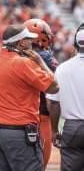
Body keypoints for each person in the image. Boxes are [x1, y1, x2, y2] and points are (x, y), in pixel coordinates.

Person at [0, 24, 59, 171]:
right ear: (21, 42)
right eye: (28, 39)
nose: (32, 43)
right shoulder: (25, 64)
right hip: (20, 133)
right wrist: (40, 63)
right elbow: (54, 87)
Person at [46, 23, 84, 171]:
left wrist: (54, 130)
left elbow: (53, 104)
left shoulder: (63, 68)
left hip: (72, 127)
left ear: (75, 44)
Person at [24, 18, 59, 169]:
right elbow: (55, 89)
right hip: (41, 117)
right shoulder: (45, 57)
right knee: (39, 165)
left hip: (19, 118)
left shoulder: (15, 56)